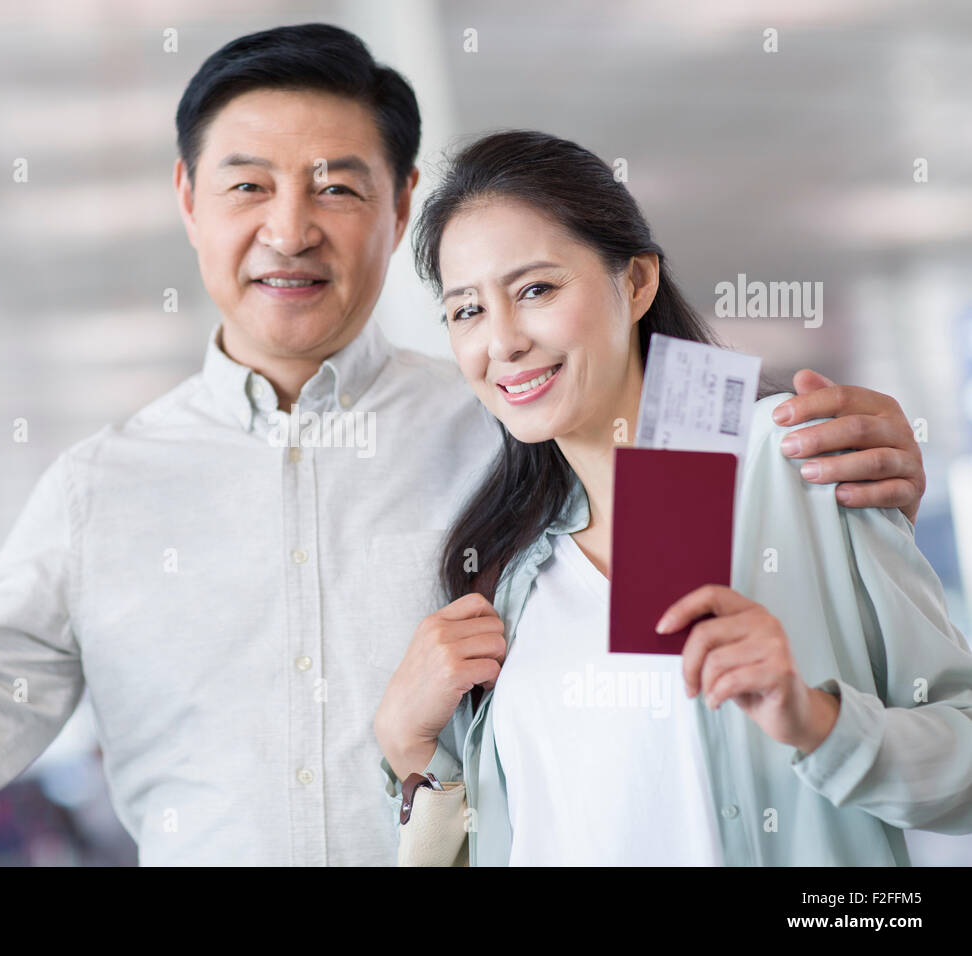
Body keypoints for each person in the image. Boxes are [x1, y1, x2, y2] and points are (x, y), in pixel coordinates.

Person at [0, 24, 928, 866]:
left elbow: (720, 669)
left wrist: (852, 451)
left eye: (339, 187)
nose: (290, 228)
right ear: (187, 201)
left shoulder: (518, 420)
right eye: (247, 184)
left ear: (403, 207)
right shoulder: (97, 493)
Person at [374, 129, 972, 866]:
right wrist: (408, 749)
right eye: (466, 310)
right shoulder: (505, 570)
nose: (502, 342)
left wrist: (816, 721)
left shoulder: (789, 464)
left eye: (536, 289)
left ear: (636, 284)